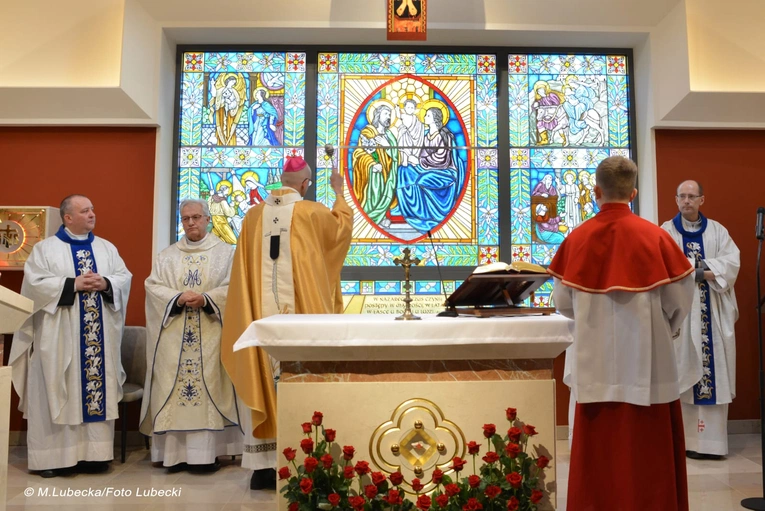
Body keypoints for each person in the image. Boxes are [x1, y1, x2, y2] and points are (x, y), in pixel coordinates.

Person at [548, 156, 695, 511]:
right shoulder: (657, 238)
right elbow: (679, 303)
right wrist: (665, 330)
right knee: (649, 460)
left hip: (593, 368)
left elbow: (564, 303)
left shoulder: (577, 240)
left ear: (596, 191)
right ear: (634, 192)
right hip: (649, 368)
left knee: (598, 462)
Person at [220, 155, 352, 490]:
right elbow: (340, 233)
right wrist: (339, 193)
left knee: (262, 372)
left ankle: (263, 468)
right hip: (302, 316)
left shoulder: (252, 216)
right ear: (306, 184)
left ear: (281, 181)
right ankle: (305, 464)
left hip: (260, 315)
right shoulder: (312, 212)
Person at [9, 195, 132, 478]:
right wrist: (71, 284)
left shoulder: (106, 248)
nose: (92, 214)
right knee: (56, 389)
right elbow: (34, 287)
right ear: (67, 217)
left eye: (92, 209)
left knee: (93, 389)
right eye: (85, 210)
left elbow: (124, 278)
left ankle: (94, 456)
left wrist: (107, 282)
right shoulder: (45, 250)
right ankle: (51, 459)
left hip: (97, 342)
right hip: (58, 338)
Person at [140, 199, 243, 473]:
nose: (191, 223)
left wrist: (207, 299)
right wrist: (177, 297)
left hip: (210, 335)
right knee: (172, 391)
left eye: (196, 217)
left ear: (207, 219)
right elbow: (152, 286)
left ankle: (206, 456)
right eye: (185, 218)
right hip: (173, 339)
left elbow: (234, 288)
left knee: (209, 390)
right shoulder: (167, 256)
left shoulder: (226, 254)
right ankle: (173, 456)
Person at [662, 180, 740, 460]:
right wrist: (704, 269)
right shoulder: (666, 232)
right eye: (681, 196)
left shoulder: (718, 231)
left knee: (713, 371)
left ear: (702, 200)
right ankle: (683, 442)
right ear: (676, 199)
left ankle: (712, 445)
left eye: (692, 196)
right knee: (682, 372)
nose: (686, 201)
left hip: (712, 313)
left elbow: (732, 264)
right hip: (682, 315)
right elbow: (663, 268)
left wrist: (697, 271)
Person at [351, 103, 399, 225]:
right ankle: (370, 216)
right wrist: (372, 164)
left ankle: (380, 216)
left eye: (390, 114)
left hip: (388, 174)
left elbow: (396, 156)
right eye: (385, 114)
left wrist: (387, 146)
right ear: (378, 115)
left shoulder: (390, 136)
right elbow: (359, 152)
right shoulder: (368, 132)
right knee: (375, 181)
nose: (388, 117)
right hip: (373, 172)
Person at [208, 180, 238, 244]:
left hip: (214, 219)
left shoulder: (213, 198)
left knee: (216, 234)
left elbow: (208, 207)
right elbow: (228, 213)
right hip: (220, 220)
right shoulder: (222, 200)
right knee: (233, 240)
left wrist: (211, 196)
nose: (228, 192)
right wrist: (232, 206)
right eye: (227, 191)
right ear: (223, 191)